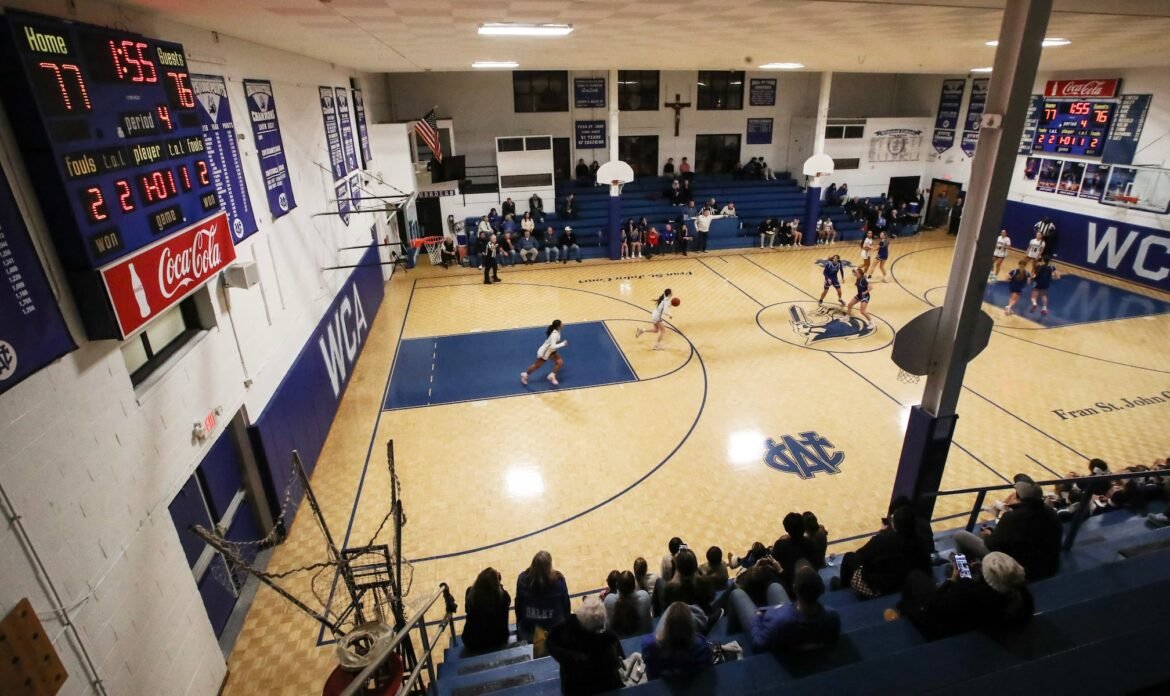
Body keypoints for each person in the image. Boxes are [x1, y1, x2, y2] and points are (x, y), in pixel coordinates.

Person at [897, 551, 1033, 641]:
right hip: (976, 623)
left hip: (943, 628)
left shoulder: (967, 592)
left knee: (915, 576)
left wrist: (951, 581)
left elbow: (933, 605)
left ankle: (902, 610)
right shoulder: (1022, 597)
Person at [951, 479, 1062, 581]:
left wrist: (988, 535)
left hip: (1021, 572)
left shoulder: (1013, 516)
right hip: (1048, 567)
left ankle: (963, 575)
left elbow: (992, 545)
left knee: (960, 536)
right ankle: (973, 566)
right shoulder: (1051, 513)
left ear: (1019, 498)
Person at [727, 560, 840, 652]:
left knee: (737, 593)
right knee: (775, 586)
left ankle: (731, 635)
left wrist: (757, 616)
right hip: (792, 624)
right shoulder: (833, 616)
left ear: (794, 589)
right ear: (821, 589)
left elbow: (758, 644)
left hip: (770, 627)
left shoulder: (780, 623)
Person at [834, 506, 926, 599]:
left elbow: (860, 557)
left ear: (895, 526)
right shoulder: (920, 541)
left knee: (849, 557)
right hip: (904, 583)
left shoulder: (882, 540)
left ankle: (843, 588)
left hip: (879, 588)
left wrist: (881, 534)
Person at [546, 596, 625, 696]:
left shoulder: (566, 628)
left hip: (572, 688)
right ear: (600, 624)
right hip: (602, 688)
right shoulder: (607, 640)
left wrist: (567, 658)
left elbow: (549, 643)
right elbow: (616, 668)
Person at [642, 602, 712, 681]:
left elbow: (650, 670)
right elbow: (706, 670)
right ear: (691, 624)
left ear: (666, 624)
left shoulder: (649, 645)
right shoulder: (701, 646)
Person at [515, 550, 571, 643]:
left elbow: (518, 606)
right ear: (549, 566)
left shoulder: (522, 579)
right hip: (554, 632)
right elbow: (566, 606)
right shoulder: (559, 581)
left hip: (528, 632)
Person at [462, 567, 511, 655]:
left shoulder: (470, 593)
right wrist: (500, 585)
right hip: (498, 640)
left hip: (472, 641)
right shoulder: (504, 597)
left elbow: (467, 610)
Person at [771, 512, 816, 599]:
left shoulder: (781, 545)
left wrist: (780, 570)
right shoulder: (811, 543)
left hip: (789, 585)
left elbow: (775, 562)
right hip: (809, 583)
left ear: (787, 529)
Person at [605, 571, 652, 638]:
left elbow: (607, 627)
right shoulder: (645, 596)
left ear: (617, 586)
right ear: (634, 586)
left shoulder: (609, 600)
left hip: (619, 642)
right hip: (644, 639)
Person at [521, 320, 568, 386]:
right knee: (536, 366)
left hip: (551, 350)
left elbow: (554, 343)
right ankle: (525, 375)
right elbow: (553, 345)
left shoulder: (558, 331)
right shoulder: (554, 334)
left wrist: (560, 343)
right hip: (545, 352)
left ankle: (552, 376)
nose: (563, 324)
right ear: (558, 326)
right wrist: (563, 344)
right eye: (561, 324)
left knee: (560, 362)